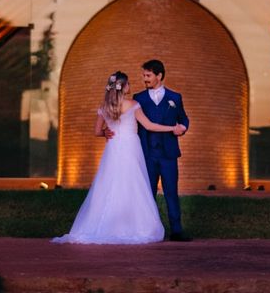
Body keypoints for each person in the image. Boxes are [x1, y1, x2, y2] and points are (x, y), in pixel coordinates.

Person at [52, 71, 184, 244]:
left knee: (110, 184)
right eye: (128, 83)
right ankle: (133, 225)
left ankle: (106, 225)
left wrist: (106, 132)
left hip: (113, 149)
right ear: (123, 87)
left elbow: (97, 132)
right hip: (130, 148)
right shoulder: (133, 104)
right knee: (132, 184)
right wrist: (172, 128)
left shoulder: (105, 107)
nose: (131, 86)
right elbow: (150, 126)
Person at [133, 59, 190, 241]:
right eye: (144, 75)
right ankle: (148, 230)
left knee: (171, 192)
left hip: (168, 154)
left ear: (159, 75)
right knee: (147, 193)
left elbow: (184, 119)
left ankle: (176, 230)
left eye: (148, 75)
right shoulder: (138, 98)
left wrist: (183, 127)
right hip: (147, 154)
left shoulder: (175, 97)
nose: (145, 79)